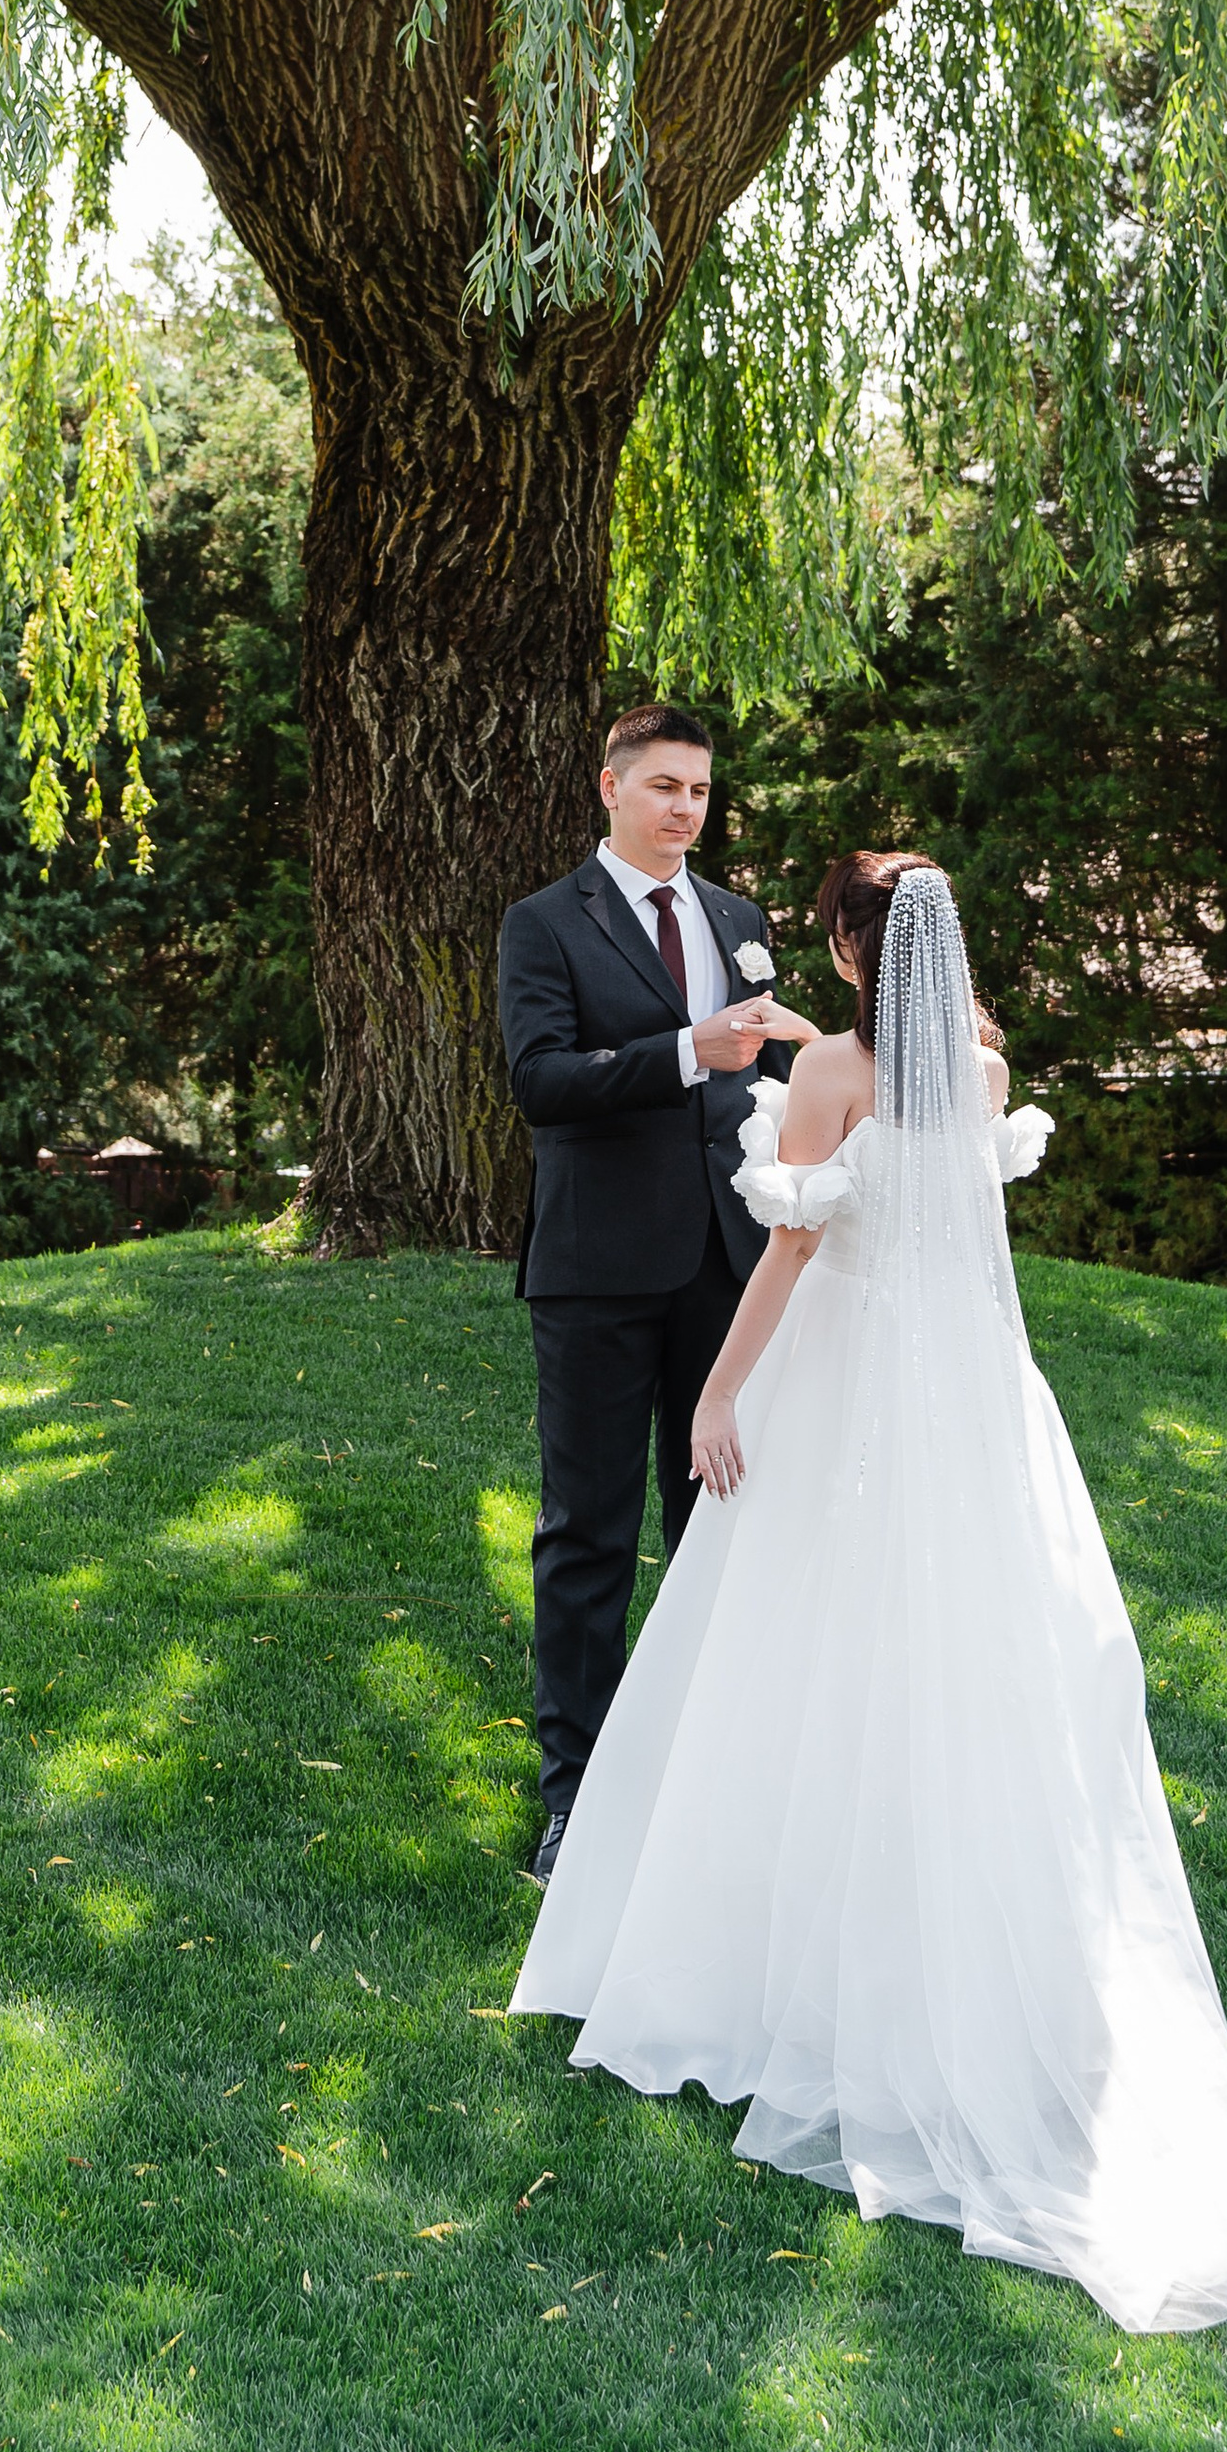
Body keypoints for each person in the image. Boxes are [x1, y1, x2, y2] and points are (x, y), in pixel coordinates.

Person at [510, 850, 1227, 2338]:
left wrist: (721, 1395)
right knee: (952, 1666)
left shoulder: (831, 1071)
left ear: (841, 946)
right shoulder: (987, 1068)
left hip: (842, 1389)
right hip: (974, 1408)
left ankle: (767, 1963)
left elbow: (788, 1251)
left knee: (790, 1658)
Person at [497, 705, 817, 1888]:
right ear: (611, 788)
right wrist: (688, 1050)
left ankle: (700, 1776)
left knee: (712, 1528)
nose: (686, 807)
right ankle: (576, 1797)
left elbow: (775, 1078)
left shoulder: (739, 919)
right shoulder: (543, 924)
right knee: (586, 1533)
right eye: (665, 786)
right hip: (593, 1272)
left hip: (726, 1272)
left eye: (700, 790)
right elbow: (540, 1082)